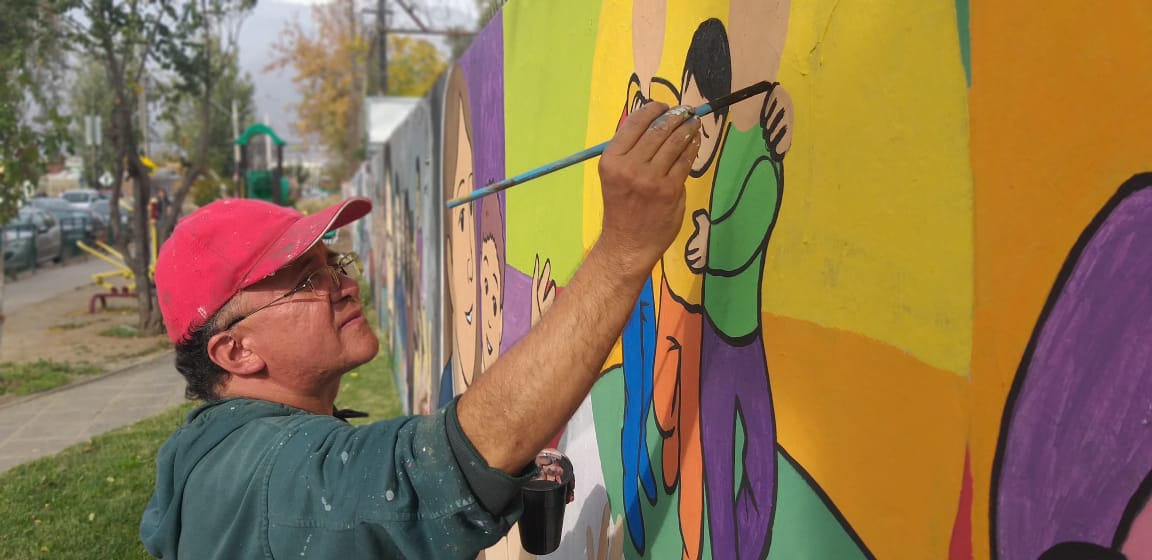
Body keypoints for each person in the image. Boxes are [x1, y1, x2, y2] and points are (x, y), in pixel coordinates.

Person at [139, 100, 703, 559]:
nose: (345, 285)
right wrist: (624, 247)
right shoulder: (274, 477)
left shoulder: (225, 449)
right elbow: (447, 465)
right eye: (307, 281)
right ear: (236, 352)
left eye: (335, 265)